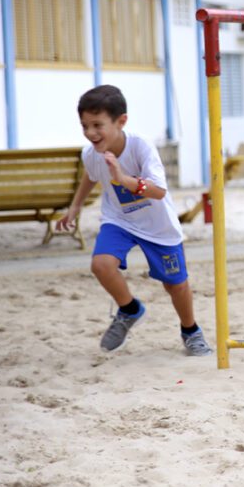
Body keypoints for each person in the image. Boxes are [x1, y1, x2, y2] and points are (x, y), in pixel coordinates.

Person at [57, 85, 212, 356]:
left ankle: (191, 330)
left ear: (121, 121)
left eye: (97, 125)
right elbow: (90, 176)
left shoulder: (140, 147)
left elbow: (159, 191)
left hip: (158, 225)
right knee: (101, 265)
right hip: (119, 220)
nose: (90, 133)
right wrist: (75, 207)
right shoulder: (91, 154)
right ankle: (129, 310)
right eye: (84, 125)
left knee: (176, 284)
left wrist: (122, 178)